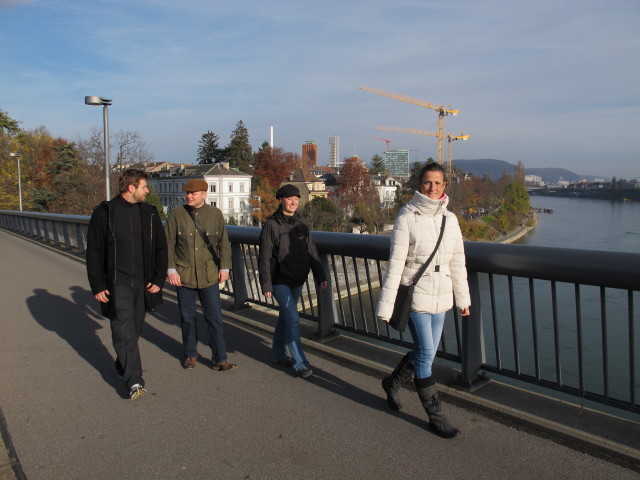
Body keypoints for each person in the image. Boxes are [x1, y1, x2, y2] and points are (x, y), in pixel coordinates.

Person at [376, 162, 471, 438]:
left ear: (444, 186)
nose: (432, 188)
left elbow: (457, 262)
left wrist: (462, 299)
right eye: (428, 182)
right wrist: (386, 305)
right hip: (416, 294)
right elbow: (396, 263)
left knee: (424, 352)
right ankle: (436, 416)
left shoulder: (450, 220)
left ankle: (392, 383)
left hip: (441, 296)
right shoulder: (408, 216)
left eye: (438, 183)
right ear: (420, 185)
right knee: (427, 355)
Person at [86, 169, 168, 400]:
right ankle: (134, 380)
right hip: (116, 282)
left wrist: (158, 278)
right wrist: (97, 284)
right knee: (122, 329)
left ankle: (124, 361)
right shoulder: (105, 213)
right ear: (131, 188)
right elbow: (94, 251)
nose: (147, 191)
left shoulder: (149, 213)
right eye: (144, 187)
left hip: (142, 283)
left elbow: (162, 248)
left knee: (134, 329)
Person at [165, 178, 236, 371]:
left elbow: (223, 243)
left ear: (204, 195)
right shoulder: (176, 215)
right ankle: (190, 355)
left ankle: (220, 359)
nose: (188, 196)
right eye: (187, 193)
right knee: (187, 317)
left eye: (193, 193)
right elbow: (168, 245)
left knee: (214, 318)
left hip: (209, 274)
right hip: (184, 274)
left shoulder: (215, 214)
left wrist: (224, 268)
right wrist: (171, 269)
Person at [258, 184, 327, 379]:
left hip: (298, 279)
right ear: (281, 200)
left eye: (296, 198)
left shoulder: (302, 223)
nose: (294, 202)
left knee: (285, 318)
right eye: (289, 198)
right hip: (279, 280)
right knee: (293, 319)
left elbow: (311, 251)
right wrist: (266, 284)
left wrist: (320, 275)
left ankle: (278, 354)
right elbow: (264, 257)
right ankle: (300, 363)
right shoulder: (272, 225)